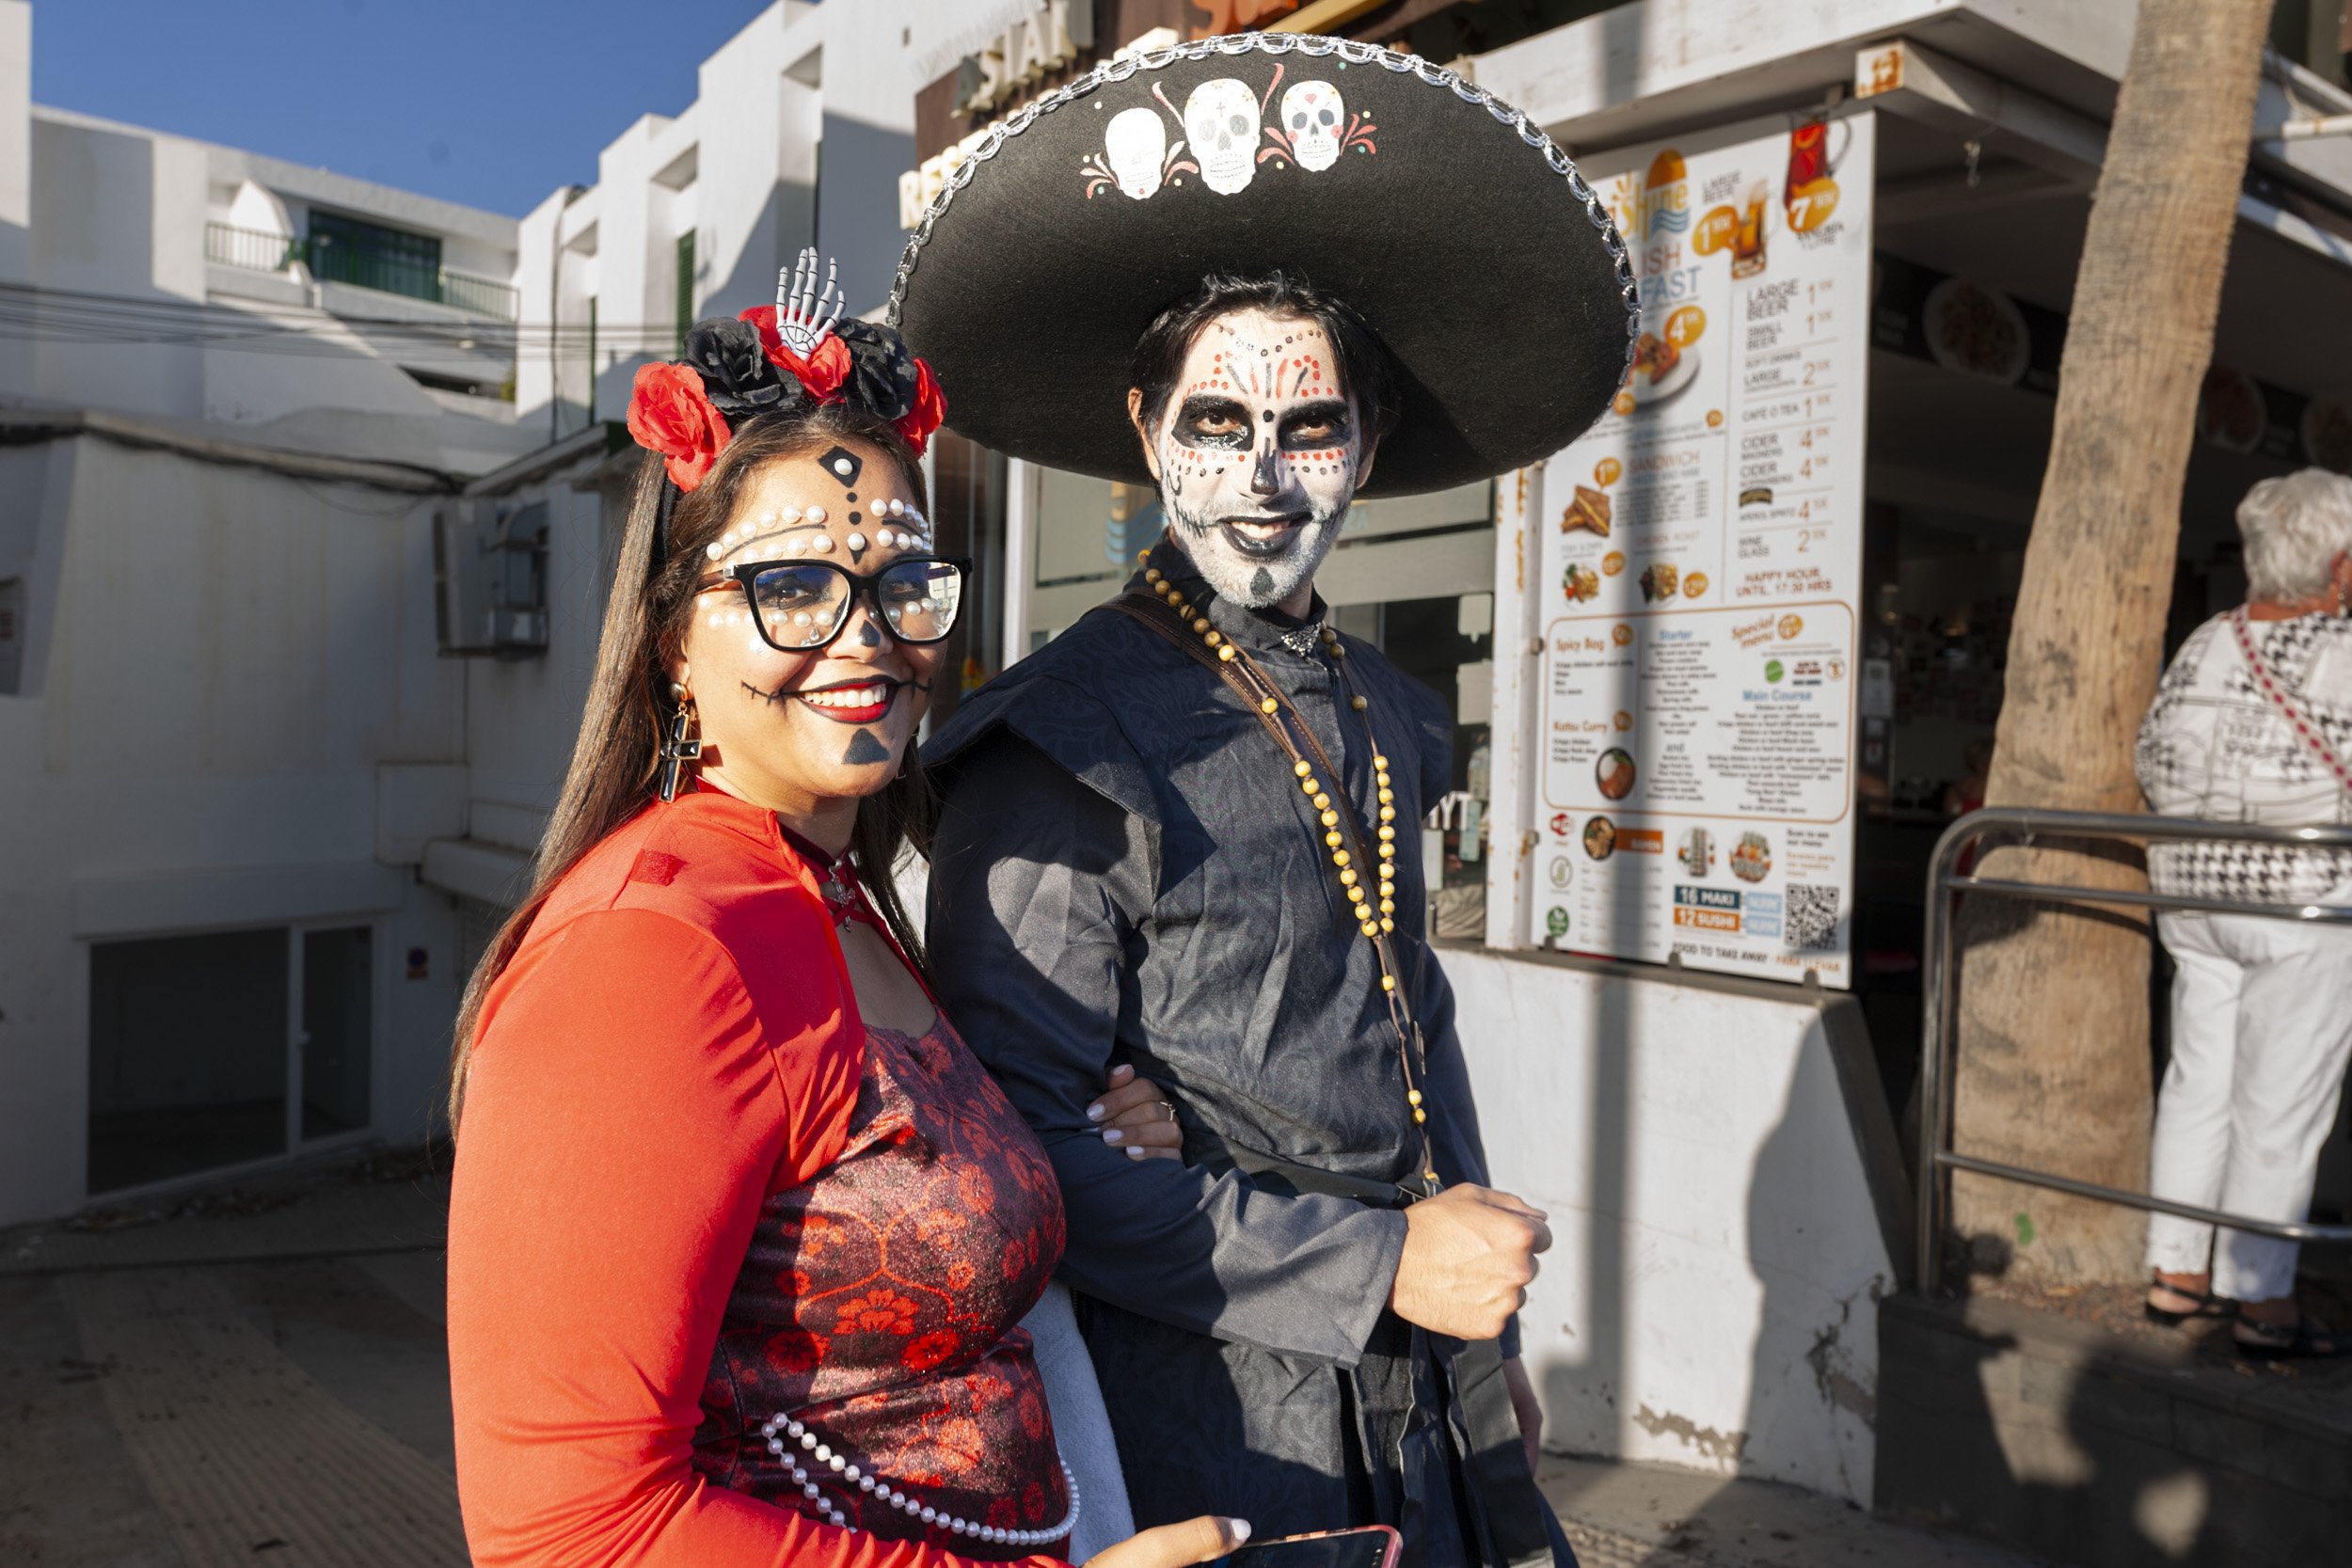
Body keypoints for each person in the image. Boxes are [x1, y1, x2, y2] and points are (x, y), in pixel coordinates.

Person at [891, 36, 1638, 1568]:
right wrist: (1385, 1266)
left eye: (1310, 430)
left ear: (1365, 446)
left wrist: (1476, 1349)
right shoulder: (1059, 747)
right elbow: (1023, 1162)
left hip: (1423, 1394)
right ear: (1147, 430)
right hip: (1212, 1421)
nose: (1265, 482)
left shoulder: (1390, 708)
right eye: (1217, 426)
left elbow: (1408, 1011)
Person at [443, 253, 1248, 1567]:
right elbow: (567, 1532)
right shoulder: (649, 951)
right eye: (794, 585)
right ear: (672, 645)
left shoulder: (838, 893)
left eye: (902, 577)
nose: (867, 633)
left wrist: (1082, 1132)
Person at [2136, 467, 2352, 1360]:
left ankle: (2176, 1274)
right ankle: (2264, 1305)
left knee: (2200, 1081)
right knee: (2281, 1101)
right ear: (2340, 564)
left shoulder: (2206, 640)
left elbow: (2153, 758)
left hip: (2194, 898)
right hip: (2304, 905)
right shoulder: (2346, 647)